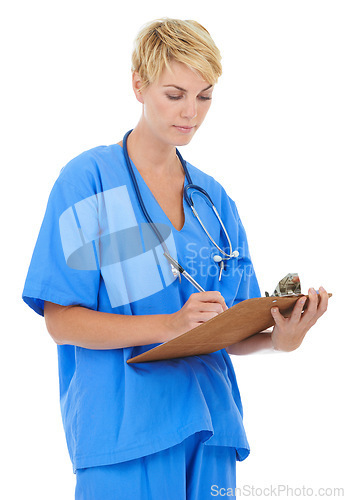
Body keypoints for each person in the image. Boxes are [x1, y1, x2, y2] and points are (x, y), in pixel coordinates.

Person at [22, 18, 328, 500]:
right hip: (124, 434)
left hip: (210, 429)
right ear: (138, 85)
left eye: (205, 96)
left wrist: (280, 340)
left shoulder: (214, 201)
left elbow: (233, 330)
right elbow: (61, 321)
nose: (192, 112)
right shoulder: (88, 182)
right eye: (175, 94)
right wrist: (169, 324)